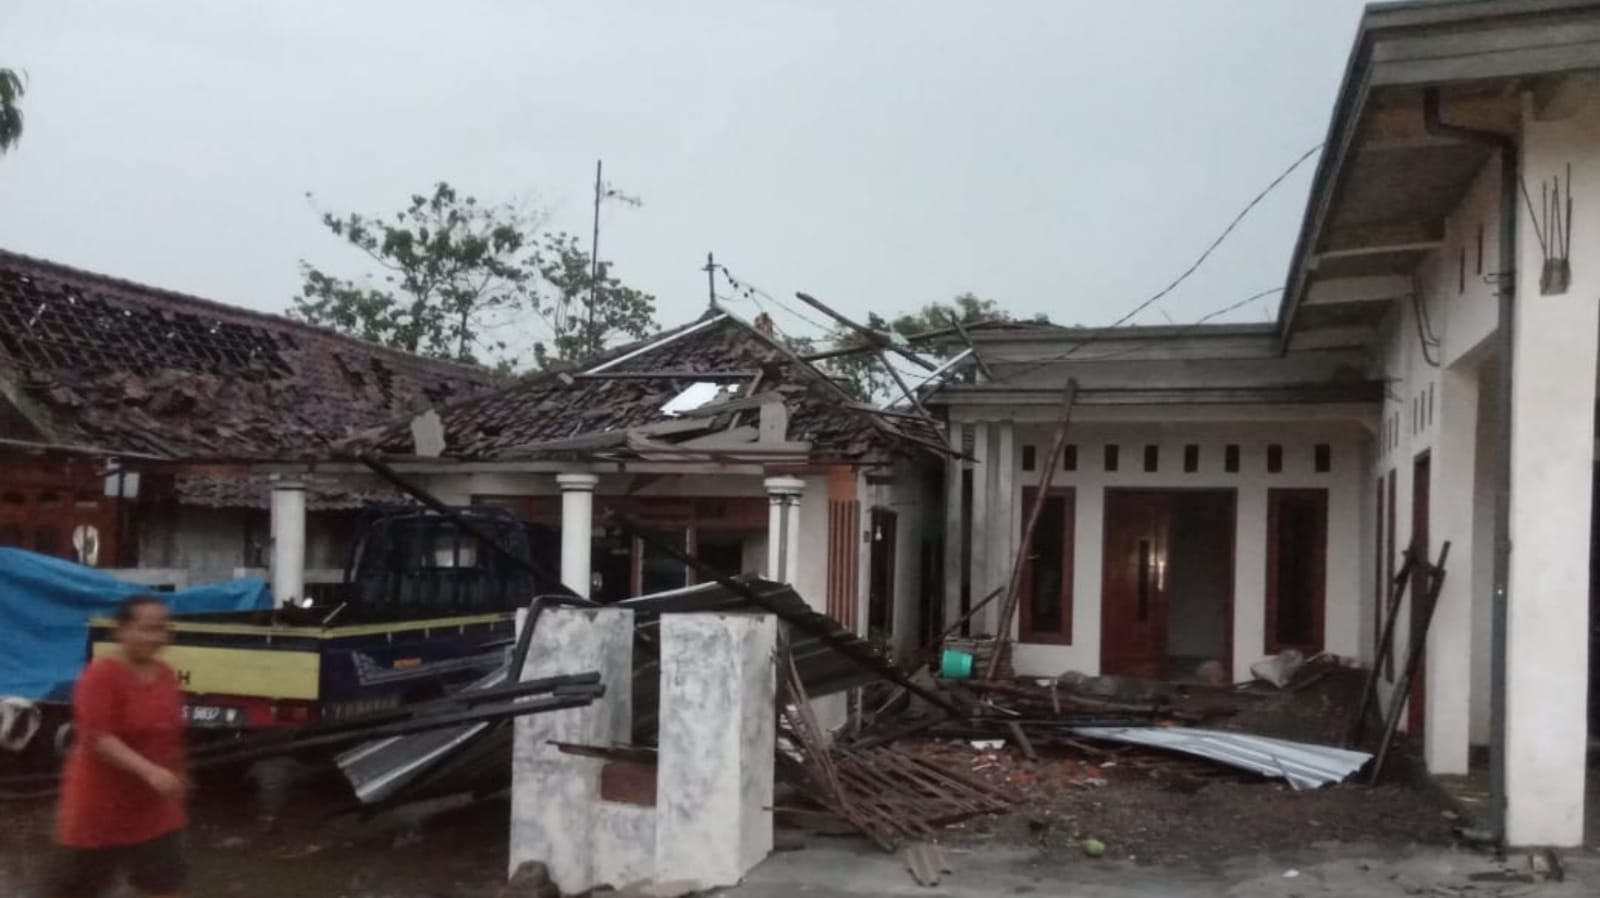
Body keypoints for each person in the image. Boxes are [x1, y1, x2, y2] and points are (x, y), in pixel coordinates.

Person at [45, 594, 188, 898]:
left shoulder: (165, 675)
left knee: (164, 887)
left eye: (162, 628)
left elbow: (169, 734)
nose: (157, 637)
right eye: (147, 628)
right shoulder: (101, 675)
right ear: (122, 630)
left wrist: (179, 773)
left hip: (154, 810)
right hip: (99, 808)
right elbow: (98, 737)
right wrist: (150, 771)